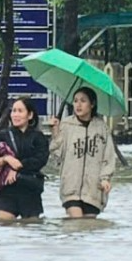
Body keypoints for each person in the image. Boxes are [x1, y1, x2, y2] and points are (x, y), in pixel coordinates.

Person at [49, 87, 115, 218]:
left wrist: (105, 178)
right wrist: (55, 133)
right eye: (75, 101)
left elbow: (108, 156)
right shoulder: (66, 125)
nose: (78, 105)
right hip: (70, 187)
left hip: (94, 189)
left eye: (83, 101)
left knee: (89, 226)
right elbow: (56, 157)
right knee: (76, 220)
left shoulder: (101, 127)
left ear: (92, 104)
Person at [0, 96, 50, 221]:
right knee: (5, 226)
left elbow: (40, 160)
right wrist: (6, 159)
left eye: (20, 111)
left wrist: (18, 168)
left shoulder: (38, 137)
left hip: (30, 189)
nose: (15, 114)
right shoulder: (3, 135)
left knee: (31, 228)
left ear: (30, 115)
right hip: (6, 190)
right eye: (14, 111)